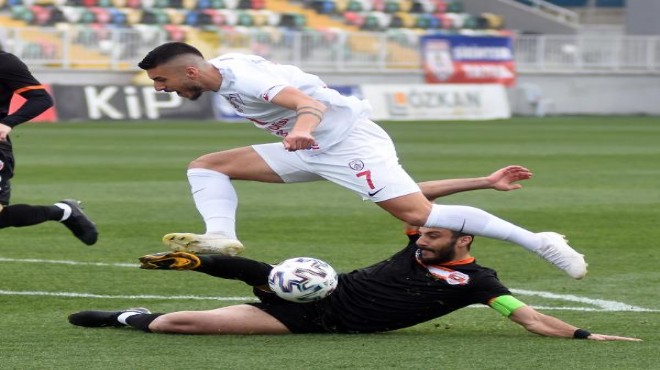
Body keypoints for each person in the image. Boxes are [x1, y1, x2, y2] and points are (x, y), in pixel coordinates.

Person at [137, 42, 586, 279]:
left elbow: (308, 104)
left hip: (346, 142)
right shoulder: (225, 69)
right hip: (314, 149)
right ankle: (221, 235)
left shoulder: (248, 81)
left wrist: (302, 129)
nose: (161, 87)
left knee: (417, 215)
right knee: (207, 164)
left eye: (162, 80)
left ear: (190, 71)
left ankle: (540, 240)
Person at [67, 169, 636, 340]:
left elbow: (529, 317)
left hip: (313, 321)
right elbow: (419, 202)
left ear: (464, 240)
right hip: (321, 285)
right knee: (252, 266)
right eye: (422, 232)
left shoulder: (480, 283)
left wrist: (587, 336)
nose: (420, 235)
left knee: (177, 325)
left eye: (434, 235)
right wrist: (484, 183)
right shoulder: (417, 242)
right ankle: (199, 260)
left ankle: (127, 318)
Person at [0, 49, 98, 245]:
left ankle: (64, 211)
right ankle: (65, 212)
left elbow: (41, 98)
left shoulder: (4, 62)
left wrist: (8, 123)